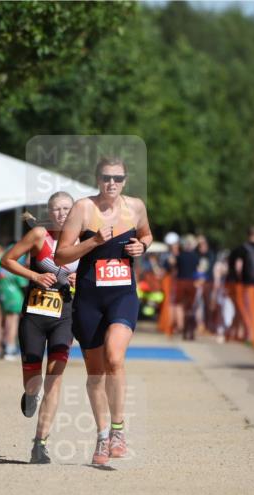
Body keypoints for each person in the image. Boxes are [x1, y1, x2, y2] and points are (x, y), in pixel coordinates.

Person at [54, 157, 153, 465]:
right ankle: (101, 436)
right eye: (107, 177)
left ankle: (119, 431)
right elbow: (61, 255)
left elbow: (147, 234)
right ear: (97, 179)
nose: (112, 183)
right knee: (96, 373)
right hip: (89, 297)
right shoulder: (83, 209)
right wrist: (94, 241)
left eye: (118, 178)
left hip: (122, 294)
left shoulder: (135, 207)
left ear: (125, 180)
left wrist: (143, 247)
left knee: (114, 356)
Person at [0, 193, 79, 464]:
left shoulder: (83, 239)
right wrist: (34, 275)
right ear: (49, 212)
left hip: (64, 317)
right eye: (56, 209)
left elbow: (95, 270)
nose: (62, 213)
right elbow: (6, 260)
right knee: (33, 383)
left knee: (54, 380)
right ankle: (31, 395)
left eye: (67, 208)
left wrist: (81, 277)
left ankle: (40, 443)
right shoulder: (38, 235)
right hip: (34, 314)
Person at [165, 235, 201, 340]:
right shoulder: (195, 256)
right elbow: (198, 270)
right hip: (192, 283)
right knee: (190, 307)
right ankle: (190, 330)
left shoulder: (179, 256)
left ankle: (181, 327)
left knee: (179, 305)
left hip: (181, 282)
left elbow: (172, 265)